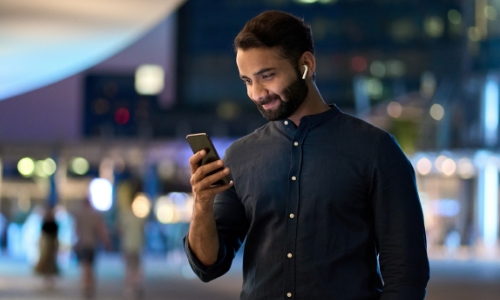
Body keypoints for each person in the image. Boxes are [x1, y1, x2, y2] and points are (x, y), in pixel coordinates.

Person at [184, 10, 430, 300]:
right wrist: (202, 204)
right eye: (247, 81)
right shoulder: (239, 156)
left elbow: (406, 275)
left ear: (306, 64)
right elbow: (210, 265)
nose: (257, 93)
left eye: (267, 76)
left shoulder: (376, 151)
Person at [73, 197, 111, 298]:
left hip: (83, 243)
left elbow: (76, 229)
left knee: (85, 265)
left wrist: (76, 242)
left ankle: (86, 284)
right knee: (90, 265)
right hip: (91, 244)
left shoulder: (79, 215)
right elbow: (100, 228)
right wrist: (106, 241)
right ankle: (88, 284)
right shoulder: (94, 215)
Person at [116, 182, 146, 299]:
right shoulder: (139, 217)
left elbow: (119, 230)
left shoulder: (124, 216)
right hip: (138, 244)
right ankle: (136, 285)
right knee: (136, 267)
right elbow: (143, 229)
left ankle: (130, 288)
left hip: (127, 245)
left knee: (128, 267)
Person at [34, 206, 59, 288]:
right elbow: (42, 235)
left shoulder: (54, 224)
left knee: (51, 261)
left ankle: (49, 277)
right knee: (45, 260)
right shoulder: (45, 223)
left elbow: (55, 236)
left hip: (51, 244)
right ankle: (46, 277)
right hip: (46, 244)